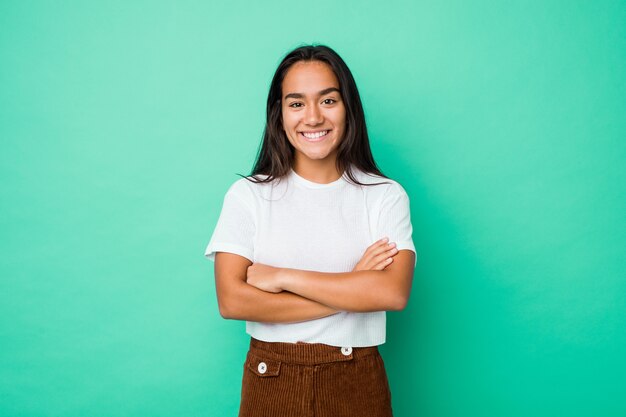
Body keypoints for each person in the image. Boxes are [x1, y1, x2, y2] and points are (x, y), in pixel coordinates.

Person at [204, 44, 416, 417]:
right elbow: (232, 301)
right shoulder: (248, 195)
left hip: (357, 379)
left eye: (328, 101)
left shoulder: (384, 195)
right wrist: (352, 285)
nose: (313, 117)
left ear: (348, 107)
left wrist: (283, 276)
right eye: (297, 103)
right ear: (279, 114)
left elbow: (392, 292)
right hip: (272, 378)